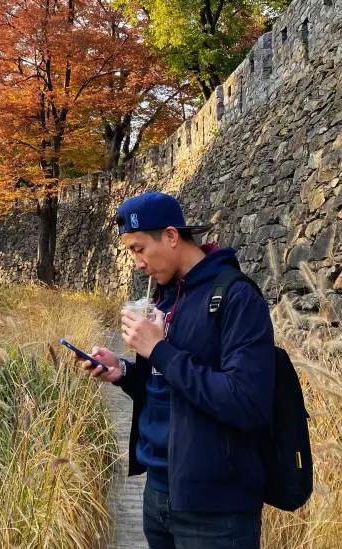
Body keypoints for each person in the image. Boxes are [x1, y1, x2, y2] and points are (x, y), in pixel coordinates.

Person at [80, 191, 274, 549]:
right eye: (131, 253)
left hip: (216, 508)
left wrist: (158, 349)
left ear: (171, 236)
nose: (137, 263)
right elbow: (166, 387)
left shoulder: (236, 297)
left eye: (139, 249)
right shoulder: (165, 298)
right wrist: (122, 370)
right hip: (158, 492)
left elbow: (247, 403)